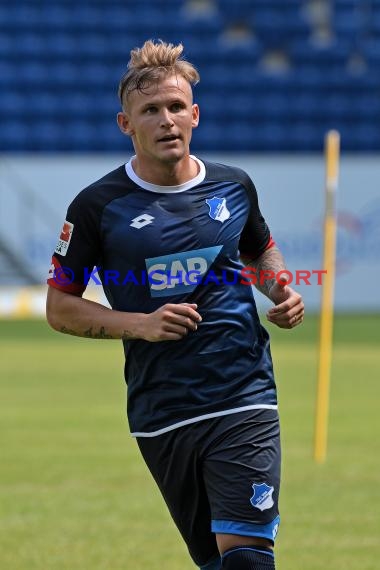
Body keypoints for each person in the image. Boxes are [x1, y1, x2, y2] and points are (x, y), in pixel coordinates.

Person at [46, 39, 304, 570]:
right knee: (215, 561)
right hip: (162, 411)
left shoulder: (234, 186)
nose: (167, 120)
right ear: (126, 124)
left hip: (243, 393)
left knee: (249, 557)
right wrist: (140, 324)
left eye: (176, 107)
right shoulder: (98, 207)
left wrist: (279, 289)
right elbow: (60, 307)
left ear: (195, 114)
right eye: (151, 111)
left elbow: (258, 249)